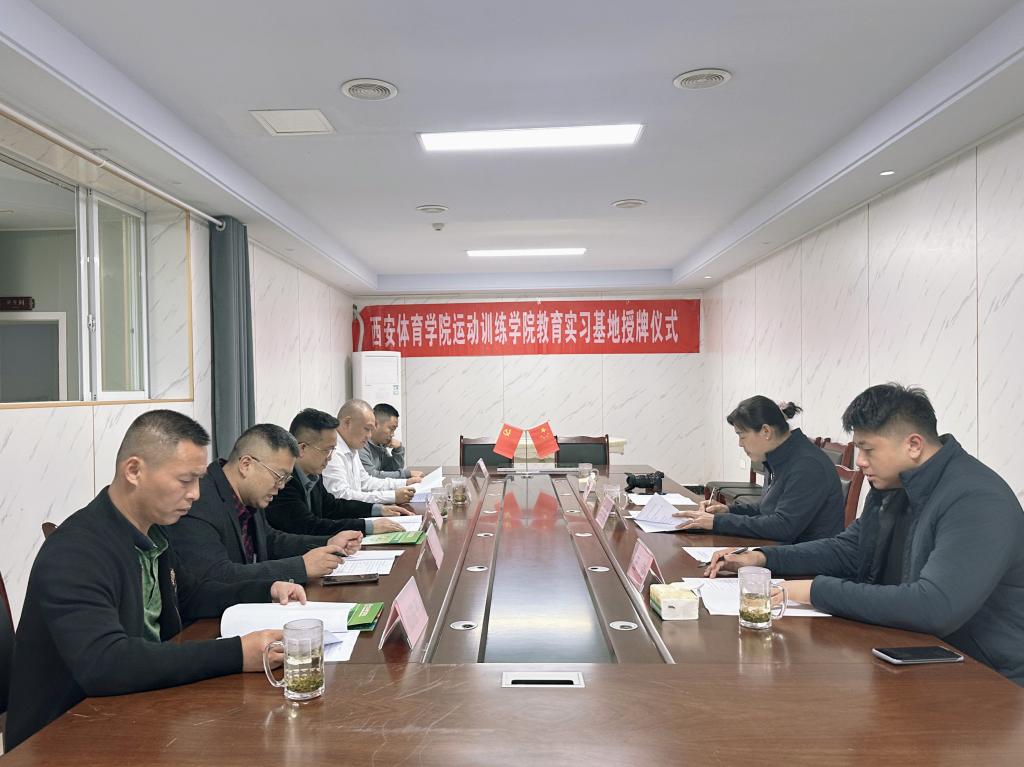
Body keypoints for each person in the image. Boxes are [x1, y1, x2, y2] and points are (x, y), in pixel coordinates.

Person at [4, 410, 306, 751]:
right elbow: (106, 662)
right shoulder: (76, 551)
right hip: (65, 736)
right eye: (185, 480)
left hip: (135, 709)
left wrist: (266, 589)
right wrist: (237, 653)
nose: (196, 494)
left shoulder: (153, 534)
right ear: (134, 471)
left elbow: (190, 596)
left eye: (198, 480)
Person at [706, 384, 1024, 686]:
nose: (860, 462)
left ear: (913, 445)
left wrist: (813, 590)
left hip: (986, 680)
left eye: (868, 449)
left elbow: (934, 606)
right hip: (910, 654)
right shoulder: (894, 484)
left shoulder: (976, 499)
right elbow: (849, 549)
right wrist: (762, 557)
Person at [164, 423, 362, 585]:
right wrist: (300, 567)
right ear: (246, 465)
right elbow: (217, 575)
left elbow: (270, 540)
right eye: (279, 476)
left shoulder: (248, 495)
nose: (282, 486)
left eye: (286, 478)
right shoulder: (199, 501)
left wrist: (328, 543)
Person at [675, 396, 843, 543]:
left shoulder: (807, 465)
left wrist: (717, 522)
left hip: (806, 561)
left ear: (766, 431)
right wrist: (727, 511)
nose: (740, 444)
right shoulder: (779, 455)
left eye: (742, 436)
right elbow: (767, 509)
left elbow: (783, 527)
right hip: (781, 548)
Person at [267, 408, 414, 535]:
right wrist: (367, 526)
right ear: (302, 449)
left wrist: (376, 509)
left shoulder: (312, 475)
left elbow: (332, 507)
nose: (330, 457)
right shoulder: (284, 482)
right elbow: (310, 526)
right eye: (327, 450)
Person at [323, 399, 418, 504]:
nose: (369, 436)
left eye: (371, 430)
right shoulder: (332, 451)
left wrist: (405, 483)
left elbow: (366, 482)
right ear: (347, 422)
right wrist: (392, 496)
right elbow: (341, 496)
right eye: (367, 429)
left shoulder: (352, 447)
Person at [360, 402, 425, 481]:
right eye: (391, 429)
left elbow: (392, 470)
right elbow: (371, 476)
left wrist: (398, 450)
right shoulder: (361, 445)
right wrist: (407, 474)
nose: (393, 434)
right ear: (375, 424)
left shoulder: (380, 446)